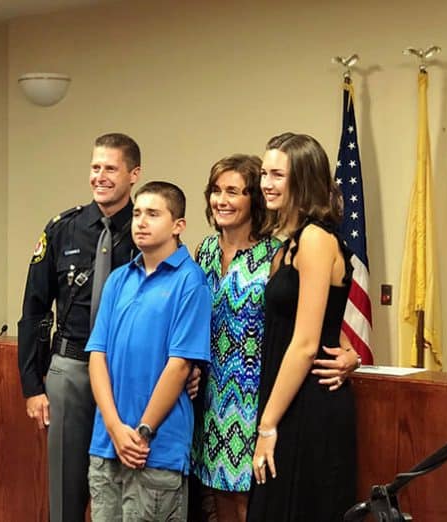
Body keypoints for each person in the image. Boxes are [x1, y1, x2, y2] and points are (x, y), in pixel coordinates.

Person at [17, 133, 140, 522]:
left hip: (126, 373)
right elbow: (34, 310)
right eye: (95, 167)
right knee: (66, 494)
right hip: (69, 370)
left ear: (133, 174)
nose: (100, 176)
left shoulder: (147, 230)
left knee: (123, 491)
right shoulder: (62, 230)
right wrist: (33, 386)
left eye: (111, 168)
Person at [247, 133, 357, 522]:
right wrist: (349, 348)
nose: (266, 183)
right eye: (264, 173)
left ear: (303, 179)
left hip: (308, 403)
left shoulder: (314, 239)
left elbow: (308, 342)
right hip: (284, 395)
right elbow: (318, 317)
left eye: (278, 174)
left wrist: (267, 425)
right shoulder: (285, 244)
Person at [86, 181, 211, 521]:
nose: (140, 221)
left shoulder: (191, 281)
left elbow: (180, 366)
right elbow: (97, 355)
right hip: (107, 443)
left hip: (154, 449)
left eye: (153, 214)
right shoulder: (118, 279)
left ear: (178, 225)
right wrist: (114, 427)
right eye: (137, 213)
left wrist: (141, 432)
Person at [191, 154, 281, 521]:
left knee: (249, 499)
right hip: (209, 392)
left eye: (233, 191)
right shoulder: (205, 250)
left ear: (253, 200)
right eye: (216, 191)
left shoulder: (274, 254)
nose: (221, 200)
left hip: (253, 395)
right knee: (215, 495)